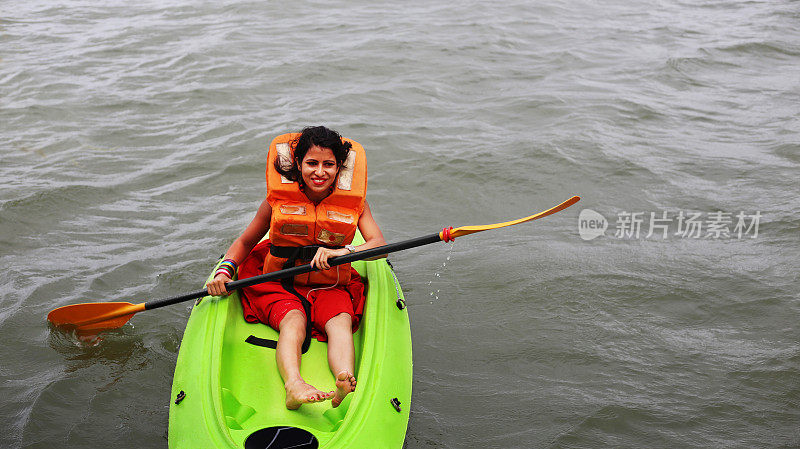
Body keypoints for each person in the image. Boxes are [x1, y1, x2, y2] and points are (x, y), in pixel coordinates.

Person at [205, 126, 386, 409]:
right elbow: (244, 242)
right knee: (293, 321)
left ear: (339, 168)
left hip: (329, 282)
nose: (320, 172)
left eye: (329, 164)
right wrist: (224, 271)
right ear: (298, 164)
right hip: (278, 281)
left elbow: (378, 246)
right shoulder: (275, 202)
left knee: (339, 323)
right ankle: (294, 384)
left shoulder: (357, 205)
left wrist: (344, 250)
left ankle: (343, 379)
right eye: (312, 163)